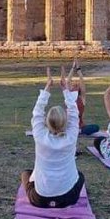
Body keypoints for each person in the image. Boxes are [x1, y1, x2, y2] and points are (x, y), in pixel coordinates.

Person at [20, 66, 84, 208]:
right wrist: (65, 90)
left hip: (40, 199)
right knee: (80, 175)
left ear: (47, 122)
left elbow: (37, 112)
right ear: (65, 122)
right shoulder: (71, 136)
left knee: (25, 174)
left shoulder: (40, 135)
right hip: (67, 198)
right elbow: (74, 112)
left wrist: (48, 87)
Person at [67, 59, 100, 135]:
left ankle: (79, 131)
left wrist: (78, 69)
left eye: (77, 84)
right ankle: (76, 131)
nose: (75, 84)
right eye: (74, 84)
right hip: (68, 126)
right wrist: (73, 68)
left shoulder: (81, 99)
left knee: (96, 127)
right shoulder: (69, 97)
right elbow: (68, 81)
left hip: (79, 127)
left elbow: (82, 81)